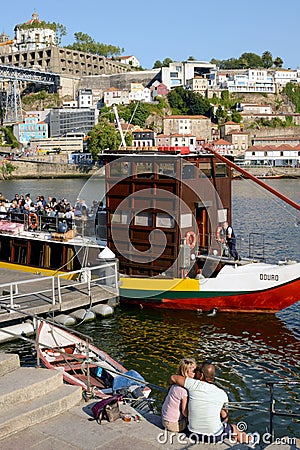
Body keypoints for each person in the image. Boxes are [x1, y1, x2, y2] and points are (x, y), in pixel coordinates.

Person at [170, 361, 258, 447]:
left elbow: (173, 377)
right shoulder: (222, 393)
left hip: (191, 433)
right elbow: (224, 415)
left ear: (201, 375)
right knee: (233, 428)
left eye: (197, 371)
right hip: (214, 436)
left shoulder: (193, 384)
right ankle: (250, 440)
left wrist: (170, 387)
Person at [161, 358, 196, 433]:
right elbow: (185, 412)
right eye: (193, 371)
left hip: (165, 419)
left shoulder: (175, 385)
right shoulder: (183, 390)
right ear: (186, 372)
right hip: (173, 424)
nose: (196, 373)